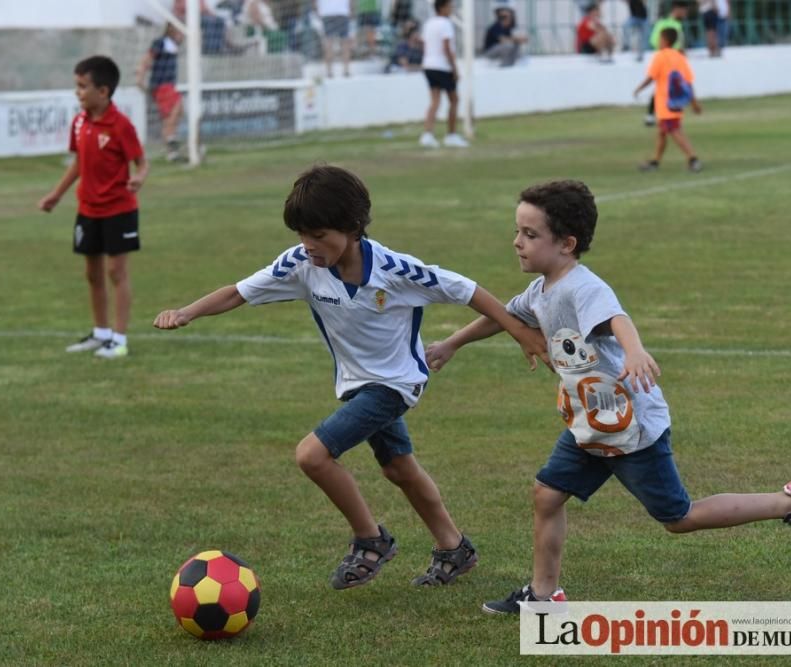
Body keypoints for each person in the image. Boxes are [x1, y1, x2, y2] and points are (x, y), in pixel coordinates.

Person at [423, 179, 791, 614]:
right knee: (547, 494)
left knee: (678, 517)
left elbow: (616, 317)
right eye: (517, 231)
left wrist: (636, 350)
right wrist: (453, 343)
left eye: (530, 235)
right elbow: (504, 317)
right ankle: (544, 596)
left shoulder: (583, 288)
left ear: (567, 243)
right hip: (592, 424)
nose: (517, 243)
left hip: (630, 426)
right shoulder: (543, 289)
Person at [153, 164, 550, 590]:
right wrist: (188, 311)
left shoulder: (396, 270)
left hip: (396, 384)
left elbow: (467, 290)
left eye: (320, 235)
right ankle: (454, 548)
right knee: (399, 468)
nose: (309, 245)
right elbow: (238, 291)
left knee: (313, 455)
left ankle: (371, 540)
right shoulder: (301, 263)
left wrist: (522, 333)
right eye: (303, 234)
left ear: (352, 227)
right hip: (356, 384)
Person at [38, 56, 148, 359]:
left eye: (82, 86)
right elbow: (78, 164)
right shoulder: (79, 122)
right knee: (92, 273)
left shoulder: (120, 125)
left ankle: (120, 339)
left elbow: (141, 161)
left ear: (103, 91)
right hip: (87, 209)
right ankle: (100, 334)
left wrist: (138, 178)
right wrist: (56, 195)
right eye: (77, 86)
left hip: (119, 209)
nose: (78, 92)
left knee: (116, 271)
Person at [634, 27, 703, 173]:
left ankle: (693, 158)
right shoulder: (680, 56)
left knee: (674, 130)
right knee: (662, 132)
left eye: (660, 39)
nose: (658, 42)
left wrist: (639, 88)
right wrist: (694, 102)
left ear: (665, 40)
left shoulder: (660, 56)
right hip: (676, 100)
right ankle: (655, 162)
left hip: (665, 103)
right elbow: (688, 82)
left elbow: (651, 77)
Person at [420, 0, 468, 148]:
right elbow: (447, 48)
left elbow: (425, 44)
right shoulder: (445, 24)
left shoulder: (429, 23)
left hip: (428, 65)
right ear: (442, 8)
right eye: (449, 6)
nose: (451, 9)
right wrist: (454, 68)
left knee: (435, 101)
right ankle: (451, 135)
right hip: (442, 66)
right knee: (454, 100)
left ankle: (428, 134)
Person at [137, 23, 185, 162]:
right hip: (161, 85)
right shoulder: (160, 42)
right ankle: (171, 141)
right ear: (172, 30)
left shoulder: (172, 45)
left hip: (167, 86)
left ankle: (172, 153)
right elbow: (147, 58)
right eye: (179, 31)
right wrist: (140, 76)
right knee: (177, 109)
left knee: (171, 117)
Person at [643, 1, 688, 125]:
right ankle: (654, 115)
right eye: (683, 10)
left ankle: (655, 115)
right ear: (676, 9)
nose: (685, 13)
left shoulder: (677, 25)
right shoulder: (663, 24)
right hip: (666, 60)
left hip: (674, 60)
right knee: (664, 88)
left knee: (669, 88)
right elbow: (654, 41)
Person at [317, 0, 353, 77]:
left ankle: (329, 72)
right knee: (344, 42)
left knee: (328, 42)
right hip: (342, 11)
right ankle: (346, 70)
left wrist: (318, 10)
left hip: (327, 12)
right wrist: (350, 9)